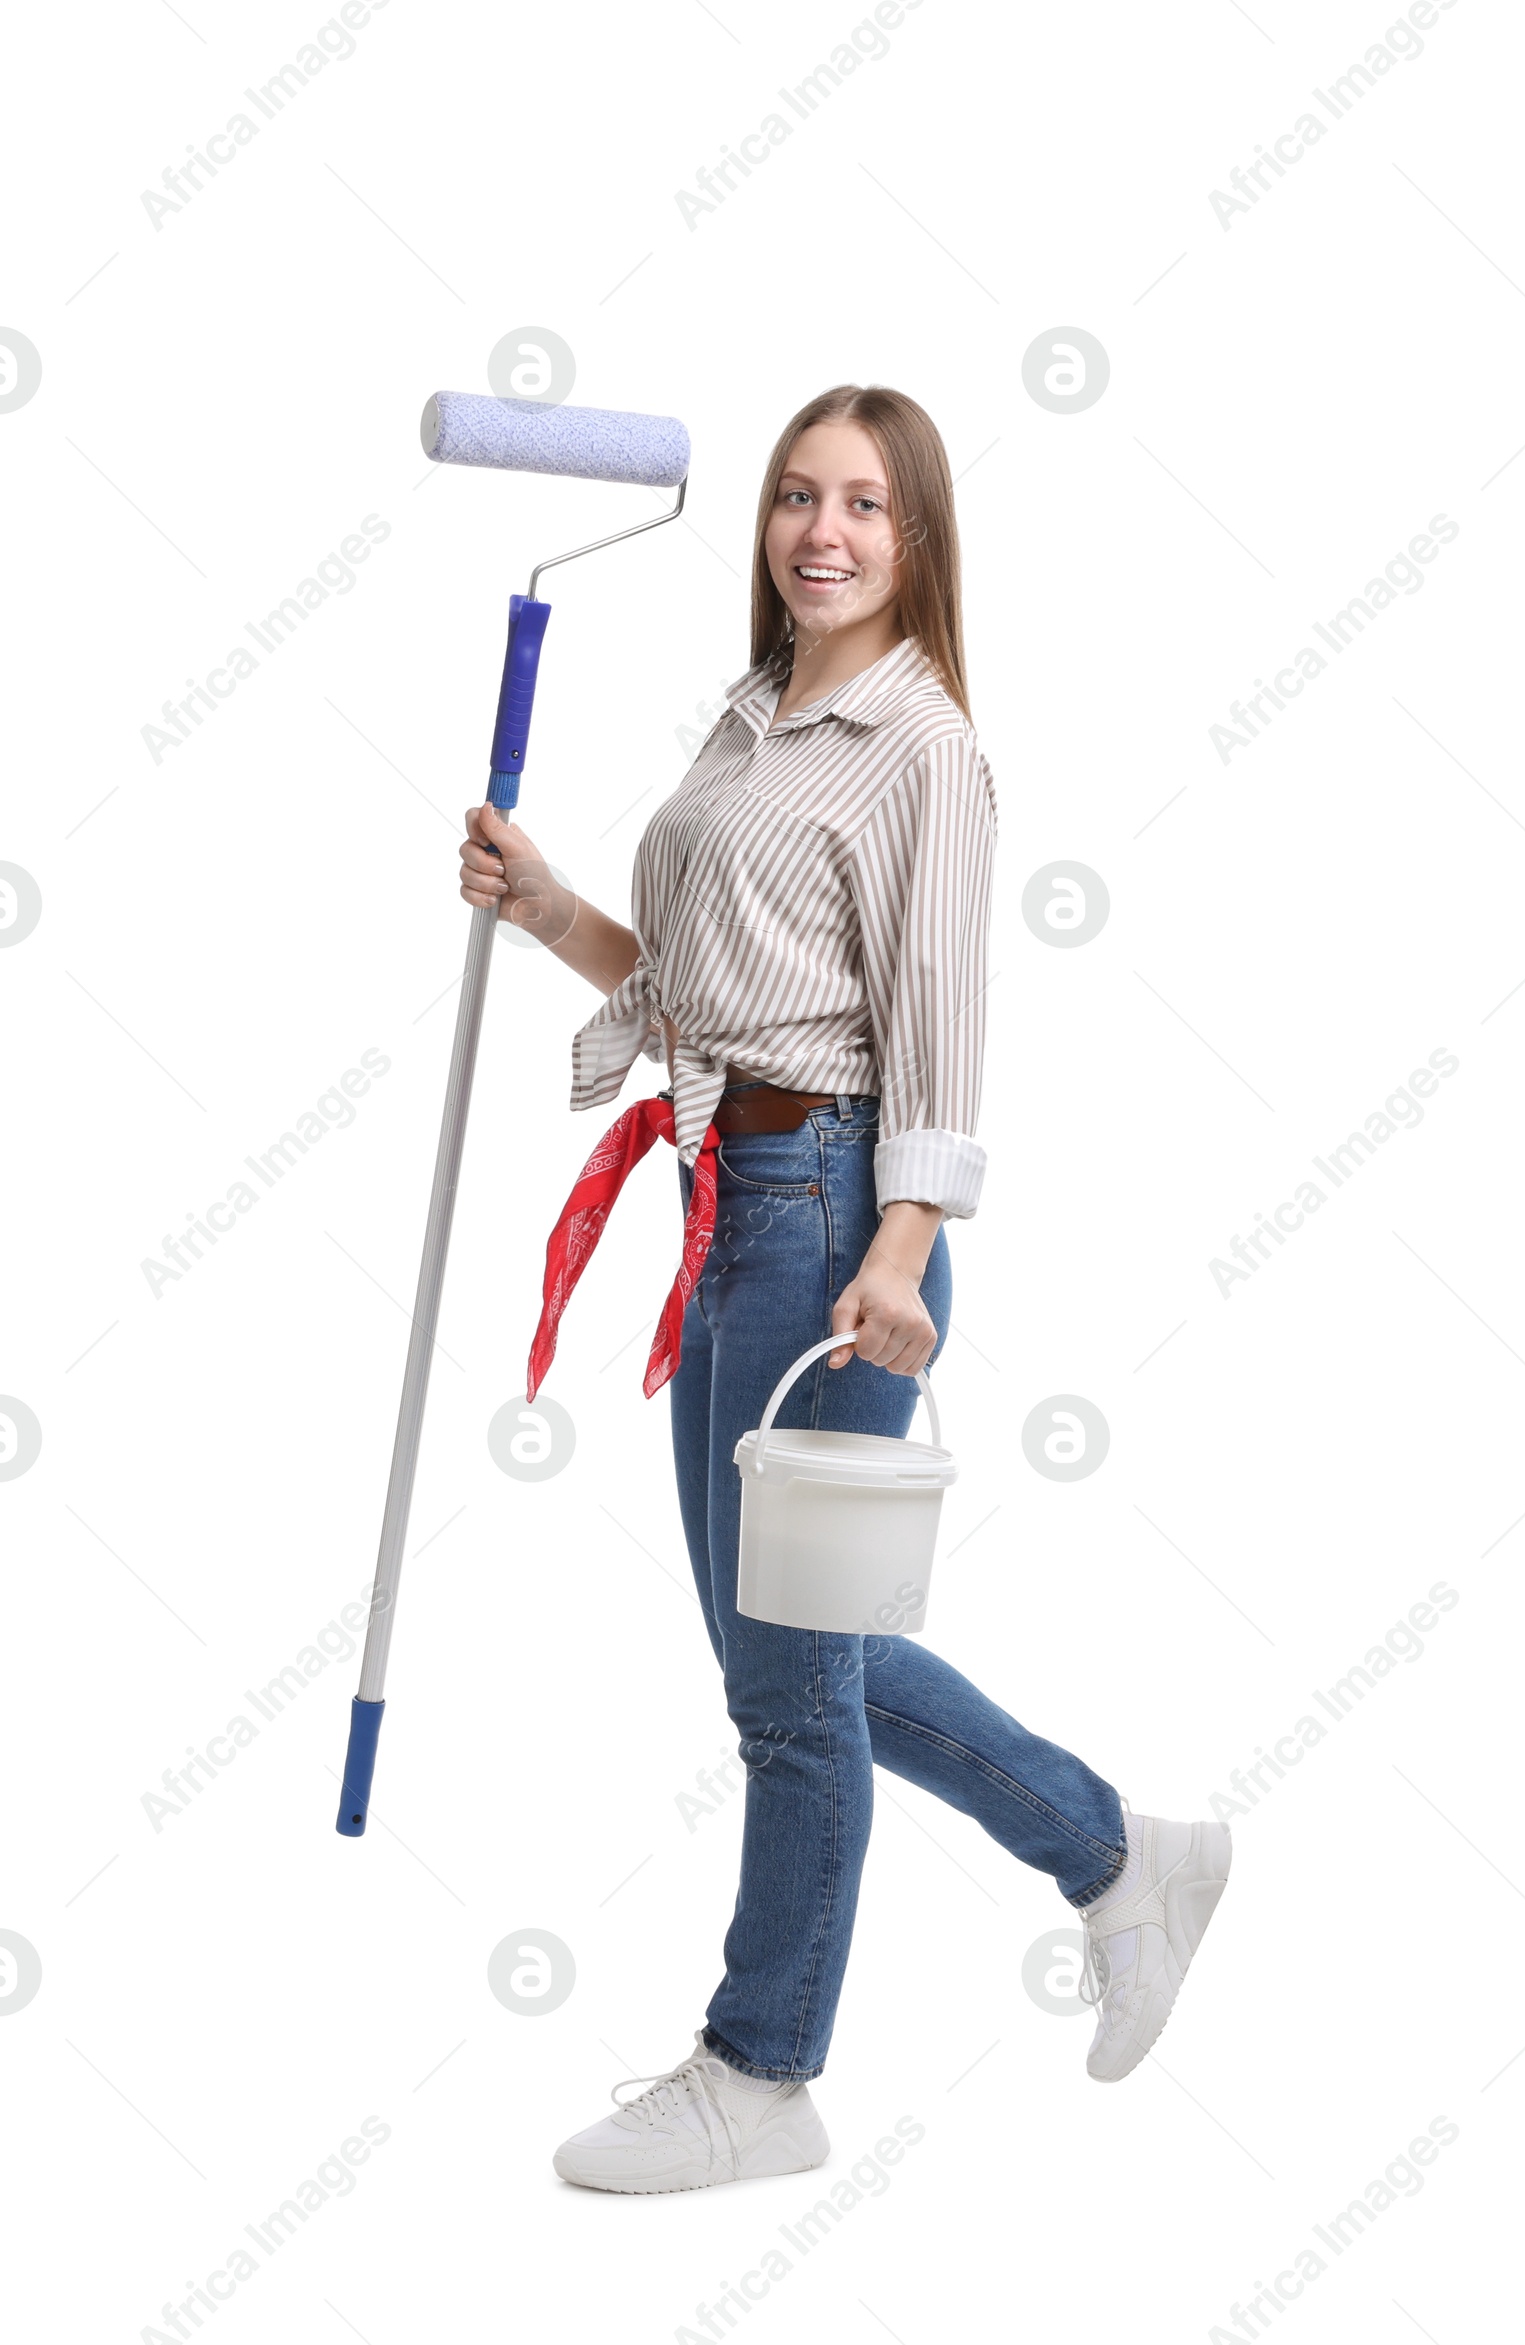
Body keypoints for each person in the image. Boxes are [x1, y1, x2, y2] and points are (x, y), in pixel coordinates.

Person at [457, 384, 1231, 2194]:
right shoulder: (754, 721)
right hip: (730, 1196)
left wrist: (901, 1253)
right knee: (792, 1652)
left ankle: (761, 2066)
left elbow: (944, 1027)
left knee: (789, 1685)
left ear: (919, 538)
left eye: (865, 505)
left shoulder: (923, 748)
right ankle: (1126, 1854)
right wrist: (552, 903)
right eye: (798, 496)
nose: (822, 530)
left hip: (827, 1216)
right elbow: (700, 979)